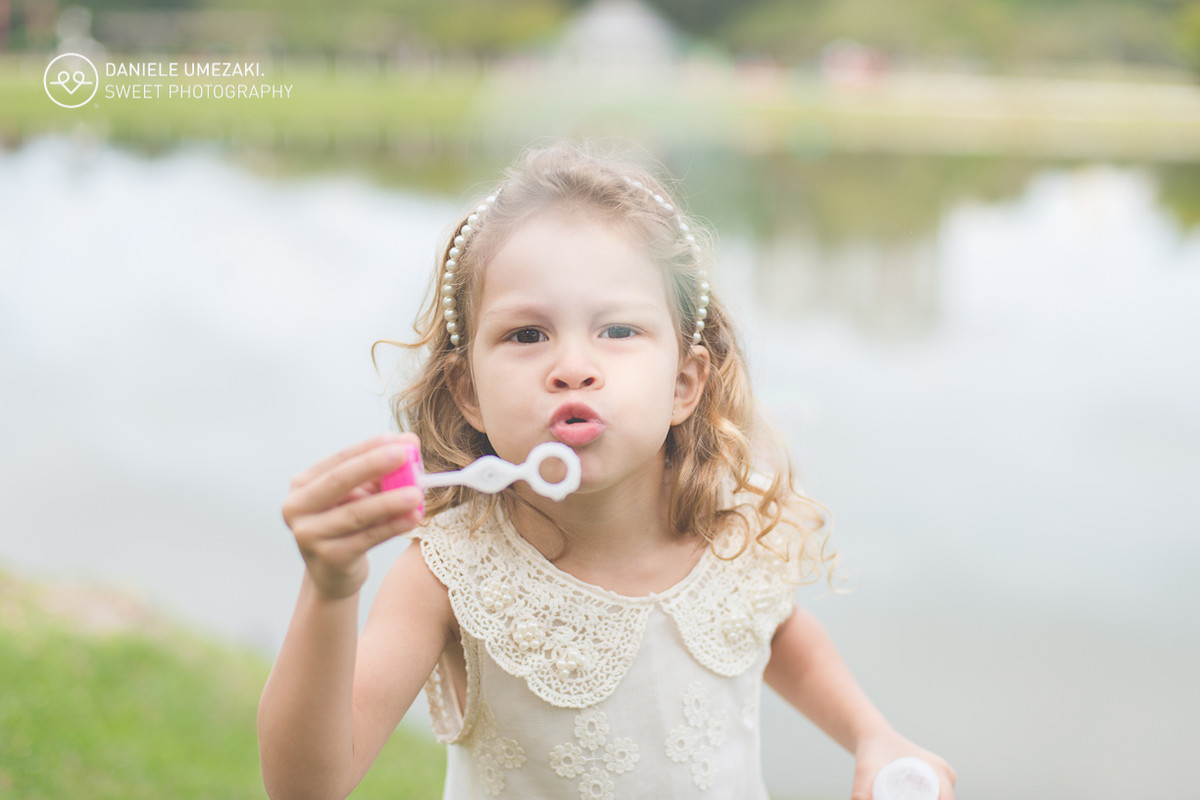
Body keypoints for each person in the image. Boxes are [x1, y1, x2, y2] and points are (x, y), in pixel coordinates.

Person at [257, 142, 957, 799]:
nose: (573, 367)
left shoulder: (727, 531)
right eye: (527, 334)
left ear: (684, 384)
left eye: (618, 330)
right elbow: (308, 786)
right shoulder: (449, 574)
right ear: (468, 390)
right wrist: (330, 589)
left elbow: (779, 634)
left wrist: (871, 733)